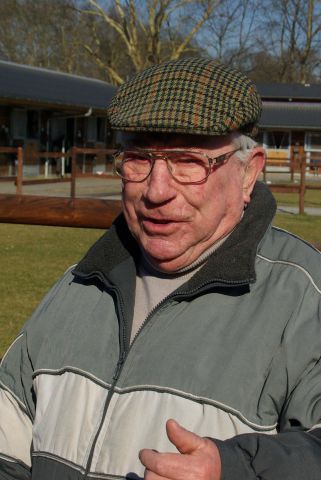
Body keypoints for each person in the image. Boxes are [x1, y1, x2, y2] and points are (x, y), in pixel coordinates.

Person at [1, 58, 321, 480]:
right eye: (138, 158)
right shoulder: (81, 280)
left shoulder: (302, 296)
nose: (156, 190)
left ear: (248, 173)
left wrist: (235, 469)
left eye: (188, 161)